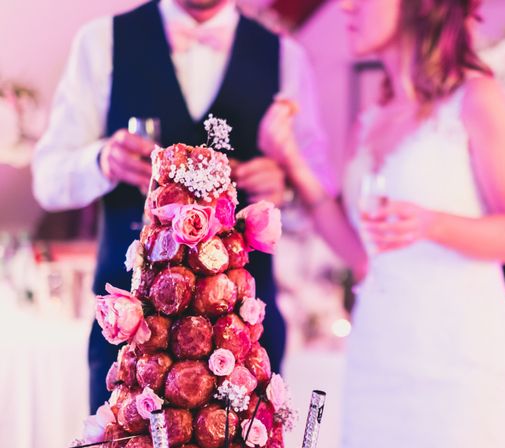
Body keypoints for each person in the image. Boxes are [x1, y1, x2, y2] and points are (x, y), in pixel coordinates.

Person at [258, 0, 505, 448]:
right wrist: (294, 162)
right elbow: (362, 254)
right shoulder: (373, 118)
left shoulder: (478, 100)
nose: (346, 7)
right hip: (378, 354)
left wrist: (433, 224)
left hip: (459, 362)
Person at [32, 0, 329, 414]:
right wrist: (102, 161)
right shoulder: (101, 42)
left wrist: (286, 189)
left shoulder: (286, 57)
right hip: (131, 343)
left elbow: (321, 198)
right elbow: (46, 181)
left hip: (242, 341)